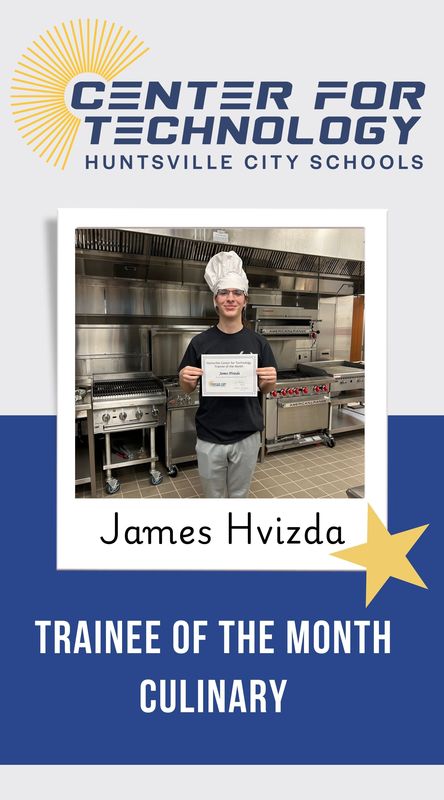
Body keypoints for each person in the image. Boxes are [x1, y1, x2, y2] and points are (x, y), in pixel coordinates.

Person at [178, 251, 277, 498]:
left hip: (247, 435)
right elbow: (187, 389)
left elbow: (265, 390)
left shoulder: (259, 343)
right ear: (215, 299)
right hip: (210, 436)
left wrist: (269, 383)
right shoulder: (200, 343)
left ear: (245, 300)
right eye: (224, 293)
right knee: (214, 499)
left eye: (237, 293)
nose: (230, 298)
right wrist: (184, 379)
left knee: (239, 496)